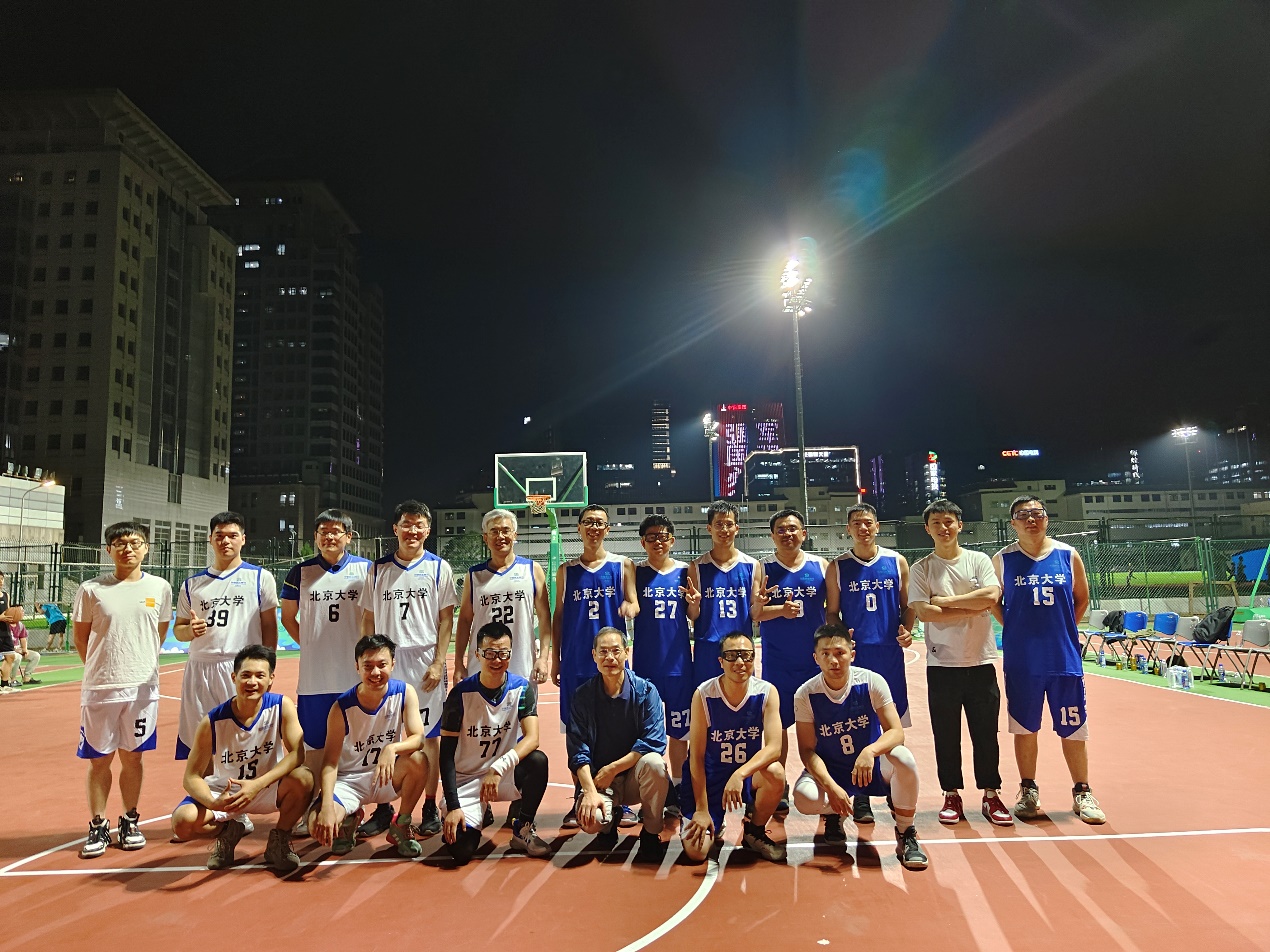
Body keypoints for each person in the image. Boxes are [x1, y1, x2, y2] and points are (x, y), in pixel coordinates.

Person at [993, 495, 1105, 824]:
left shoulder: (1067, 555)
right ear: (1013, 523)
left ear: (1046, 518)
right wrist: (1014, 626)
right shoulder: (1003, 559)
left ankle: (1082, 792)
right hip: (1022, 661)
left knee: (1074, 727)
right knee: (1025, 727)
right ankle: (1028, 790)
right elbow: (993, 602)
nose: (1031, 519)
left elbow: (1081, 599)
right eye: (1023, 515)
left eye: (1037, 513)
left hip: (1063, 657)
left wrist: (1062, 629)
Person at [356, 500, 457, 840]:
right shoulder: (378, 569)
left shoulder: (439, 568)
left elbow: (446, 619)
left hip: (424, 660)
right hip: (387, 661)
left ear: (428, 530)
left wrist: (439, 661)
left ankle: (428, 806)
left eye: (419, 525)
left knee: (428, 737)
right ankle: (384, 807)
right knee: (383, 736)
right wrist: (367, 660)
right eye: (406, 524)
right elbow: (368, 618)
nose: (412, 530)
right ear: (395, 529)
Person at [72, 522, 173, 859]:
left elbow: (159, 633)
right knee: (99, 760)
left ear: (146, 548)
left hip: (142, 690)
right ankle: (97, 824)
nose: (127, 548)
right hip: (101, 689)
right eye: (119, 543)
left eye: (135, 542)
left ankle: (130, 820)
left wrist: (137, 666)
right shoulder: (91, 589)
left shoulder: (160, 588)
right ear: (108, 550)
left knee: (133, 758)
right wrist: (102, 670)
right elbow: (81, 638)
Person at [908, 499, 1011, 826]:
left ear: (960, 525)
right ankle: (951, 793)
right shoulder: (922, 568)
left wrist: (947, 602)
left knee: (986, 734)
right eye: (936, 522)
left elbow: (991, 597)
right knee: (946, 735)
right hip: (942, 666)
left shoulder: (978, 560)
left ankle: (991, 794)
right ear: (927, 529)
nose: (943, 527)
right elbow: (925, 613)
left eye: (949, 521)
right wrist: (972, 607)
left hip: (981, 662)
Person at [792, 625, 928, 870]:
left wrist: (869, 751)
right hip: (832, 769)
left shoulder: (871, 681)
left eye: (839, 652)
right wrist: (831, 786)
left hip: (869, 766)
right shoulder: (806, 694)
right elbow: (807, 750)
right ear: (816, 658)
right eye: (825, 654)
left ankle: (906, 832)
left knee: (903, 757)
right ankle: (834, 813)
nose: (833, 660)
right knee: (804, 799)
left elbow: (896, 732)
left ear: (852, 654)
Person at [170, 645, 313, 871]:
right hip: (226, 792)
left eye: (260, 675)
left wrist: (257, 785)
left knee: (304, 778)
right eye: (245, 675)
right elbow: (191, 777)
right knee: (182, 823)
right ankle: (228, 832)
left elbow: (297, 753)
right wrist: (213, 803)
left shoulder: (281, 706)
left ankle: (280, 840)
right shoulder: (213, 721)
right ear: (234, 677)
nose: (252, 682)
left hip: (265, 787)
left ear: (271, 679)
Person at [825, 503, 914, 825]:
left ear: (877, 526)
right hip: (857, 657)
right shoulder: (838, 566)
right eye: (856, 523)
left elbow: (908, 606)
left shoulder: (897, 561)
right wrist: (841, 639)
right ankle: (861, 794)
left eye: (868, 523)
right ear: (848, 529)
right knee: (860, 725)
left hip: (889, 654)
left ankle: (892, 784)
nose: (863, 528)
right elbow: (831, 612)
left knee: (893, 725)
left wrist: (907, 630)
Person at [552, 504, 638, 827]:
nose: (594, 528)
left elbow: (634, 602)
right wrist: (555, 658)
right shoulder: (566, 571)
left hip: (612, 661)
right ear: (579, 528)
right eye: (588, 522)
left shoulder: (622, 565)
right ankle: (580, 794)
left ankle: (622, 799)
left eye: (600, 523)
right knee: (576, 732)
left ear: (607, 529)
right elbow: (559, 616)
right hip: (576, 661)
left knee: (618, 728)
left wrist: (629, 607)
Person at [440, 622, 551, 864]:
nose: (497, 660)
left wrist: (499, 767)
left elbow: (533, 738)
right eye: (490, 653)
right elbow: (446, 755)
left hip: (501, 775)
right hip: (467, 780)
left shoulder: (521, 689)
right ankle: (474, 813)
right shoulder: (460, 695)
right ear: (477, 654)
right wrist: (453, 805)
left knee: (537, 761)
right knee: (461, 851)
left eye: (503, 653)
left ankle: (523, 828)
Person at [308, 634, 428, 857]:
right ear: (357, 667)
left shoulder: (404, 693)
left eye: (382, 665)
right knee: (316, 825)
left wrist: (391, 749)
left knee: (419, 760)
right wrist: (326, 806)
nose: (375, 672)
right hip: (349, 783)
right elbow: (330, 763)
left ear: (393, 664)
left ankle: (401, 825)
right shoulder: (341, 707)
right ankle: (349, 818)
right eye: (368, 666)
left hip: (385, 776)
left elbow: (419, 739)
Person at [173, 512, 279, 760]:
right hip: (201, 666)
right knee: (201, 740)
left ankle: (247, 783)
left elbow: (269, 627)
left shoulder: (260, 577)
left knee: (245, 738)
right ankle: (206, 785)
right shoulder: (192, 584)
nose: (225, 541)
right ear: (210, 539)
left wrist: (268, 667)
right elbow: (179, 630)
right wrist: (190, 631)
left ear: (243, 539)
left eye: (232, 535)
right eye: (219, 536)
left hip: (241, 667)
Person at [280, 510, 371, 787]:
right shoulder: (300, 572)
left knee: (356, 744)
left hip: (354, 675)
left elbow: (375, 615)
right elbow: (287, 617)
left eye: (336, 531)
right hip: (315, 678)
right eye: (323, 532)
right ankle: (317, 801)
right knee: (314, 745)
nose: (329, 536)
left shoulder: (367, 570)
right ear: (316, 537)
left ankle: (350, 801)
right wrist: (309, 645)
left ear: (349, 536)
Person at [680, 631, 786, 864]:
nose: (740, 662)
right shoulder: (704, 694)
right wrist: (701, 809)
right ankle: (710, 816)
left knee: (776, 772)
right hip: (710, 776)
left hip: (745, 774)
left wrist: (740, 774)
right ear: (721, 661)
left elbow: (774, 748)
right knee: (696, 852)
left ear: (754, 658)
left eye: (746, 655)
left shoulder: (766, 692)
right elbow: (696, 756)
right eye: (732, 655)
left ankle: (754, 831)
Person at [568, 626, 670, 863]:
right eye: (603, 652)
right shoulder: (583, 696)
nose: (610, 658)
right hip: (600, 780)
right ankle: (608, 822)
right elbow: (577, 751)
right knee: (591, 821)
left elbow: (653, 741)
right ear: (594, 655)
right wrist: (589, 792)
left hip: (634, 778)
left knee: (655, 764)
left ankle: (650, 833)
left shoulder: (646, 692)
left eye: (615, 651)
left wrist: (613, 769)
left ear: (626, 652)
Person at [752, 508, 828, 816]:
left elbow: (833, 610)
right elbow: (755, 613)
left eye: (793, 528)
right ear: (772, 536)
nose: (788, 534)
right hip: (778, 662)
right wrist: (779, 610)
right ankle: (779, 784)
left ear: (804, 533)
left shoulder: (820, 566)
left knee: (820, 725)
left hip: (814, 662)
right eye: (781, 529)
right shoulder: (762, 568)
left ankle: (819, 777)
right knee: (778, 727)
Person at [631, 515, 697, 818]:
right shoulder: (634, 572)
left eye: (663, 536)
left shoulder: (685, 571)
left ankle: (679, 787)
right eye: (651, 536)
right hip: (646, 665)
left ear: (672, 540)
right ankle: (653, 788)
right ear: (642, 542)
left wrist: (694, 603)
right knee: (647, 731)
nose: (658, 541)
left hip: (679, 664)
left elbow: (693, 614)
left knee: (680, 731)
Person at [453, 509, 552, 685]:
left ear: (515, 535)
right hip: (483, 662)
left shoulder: (532, 569)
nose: (500, 536)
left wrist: (543, 658)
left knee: (522, 704)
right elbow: (465, 620)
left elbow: (545, 618)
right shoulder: (474, 575)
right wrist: (459, 662)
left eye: (506, 530)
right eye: (494, 531)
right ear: (485, 538)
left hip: (521, 663)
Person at [687, 501, 758, 689]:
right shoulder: (696, 567)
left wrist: (760, 604)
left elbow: (755, 613)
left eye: (729, 524)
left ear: (737, 528)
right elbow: (692, 615)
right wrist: (693, 604)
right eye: (719, 524)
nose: (724, 529)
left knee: (743, 700)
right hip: (708, 647)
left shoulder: (752, 565)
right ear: (709, 528)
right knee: (706, 699)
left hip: (741, 649)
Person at [0, 570, 24, 693]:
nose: (0, 581)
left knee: (10, 657)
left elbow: (8, 612)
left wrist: (14, 617)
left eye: (2, 579)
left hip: (5, 631)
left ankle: (4, 685)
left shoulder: (6, 595)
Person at [8, 620, 41, 686]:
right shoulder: (4, 625)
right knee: (18, 656)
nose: (22, 615)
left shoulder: (20, 625)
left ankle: (26, 678)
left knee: (35, 656)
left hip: (18, 650)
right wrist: (14, 649)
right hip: (6, 651)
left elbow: (23, 638)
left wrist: (24, 649)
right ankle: (12, 680)